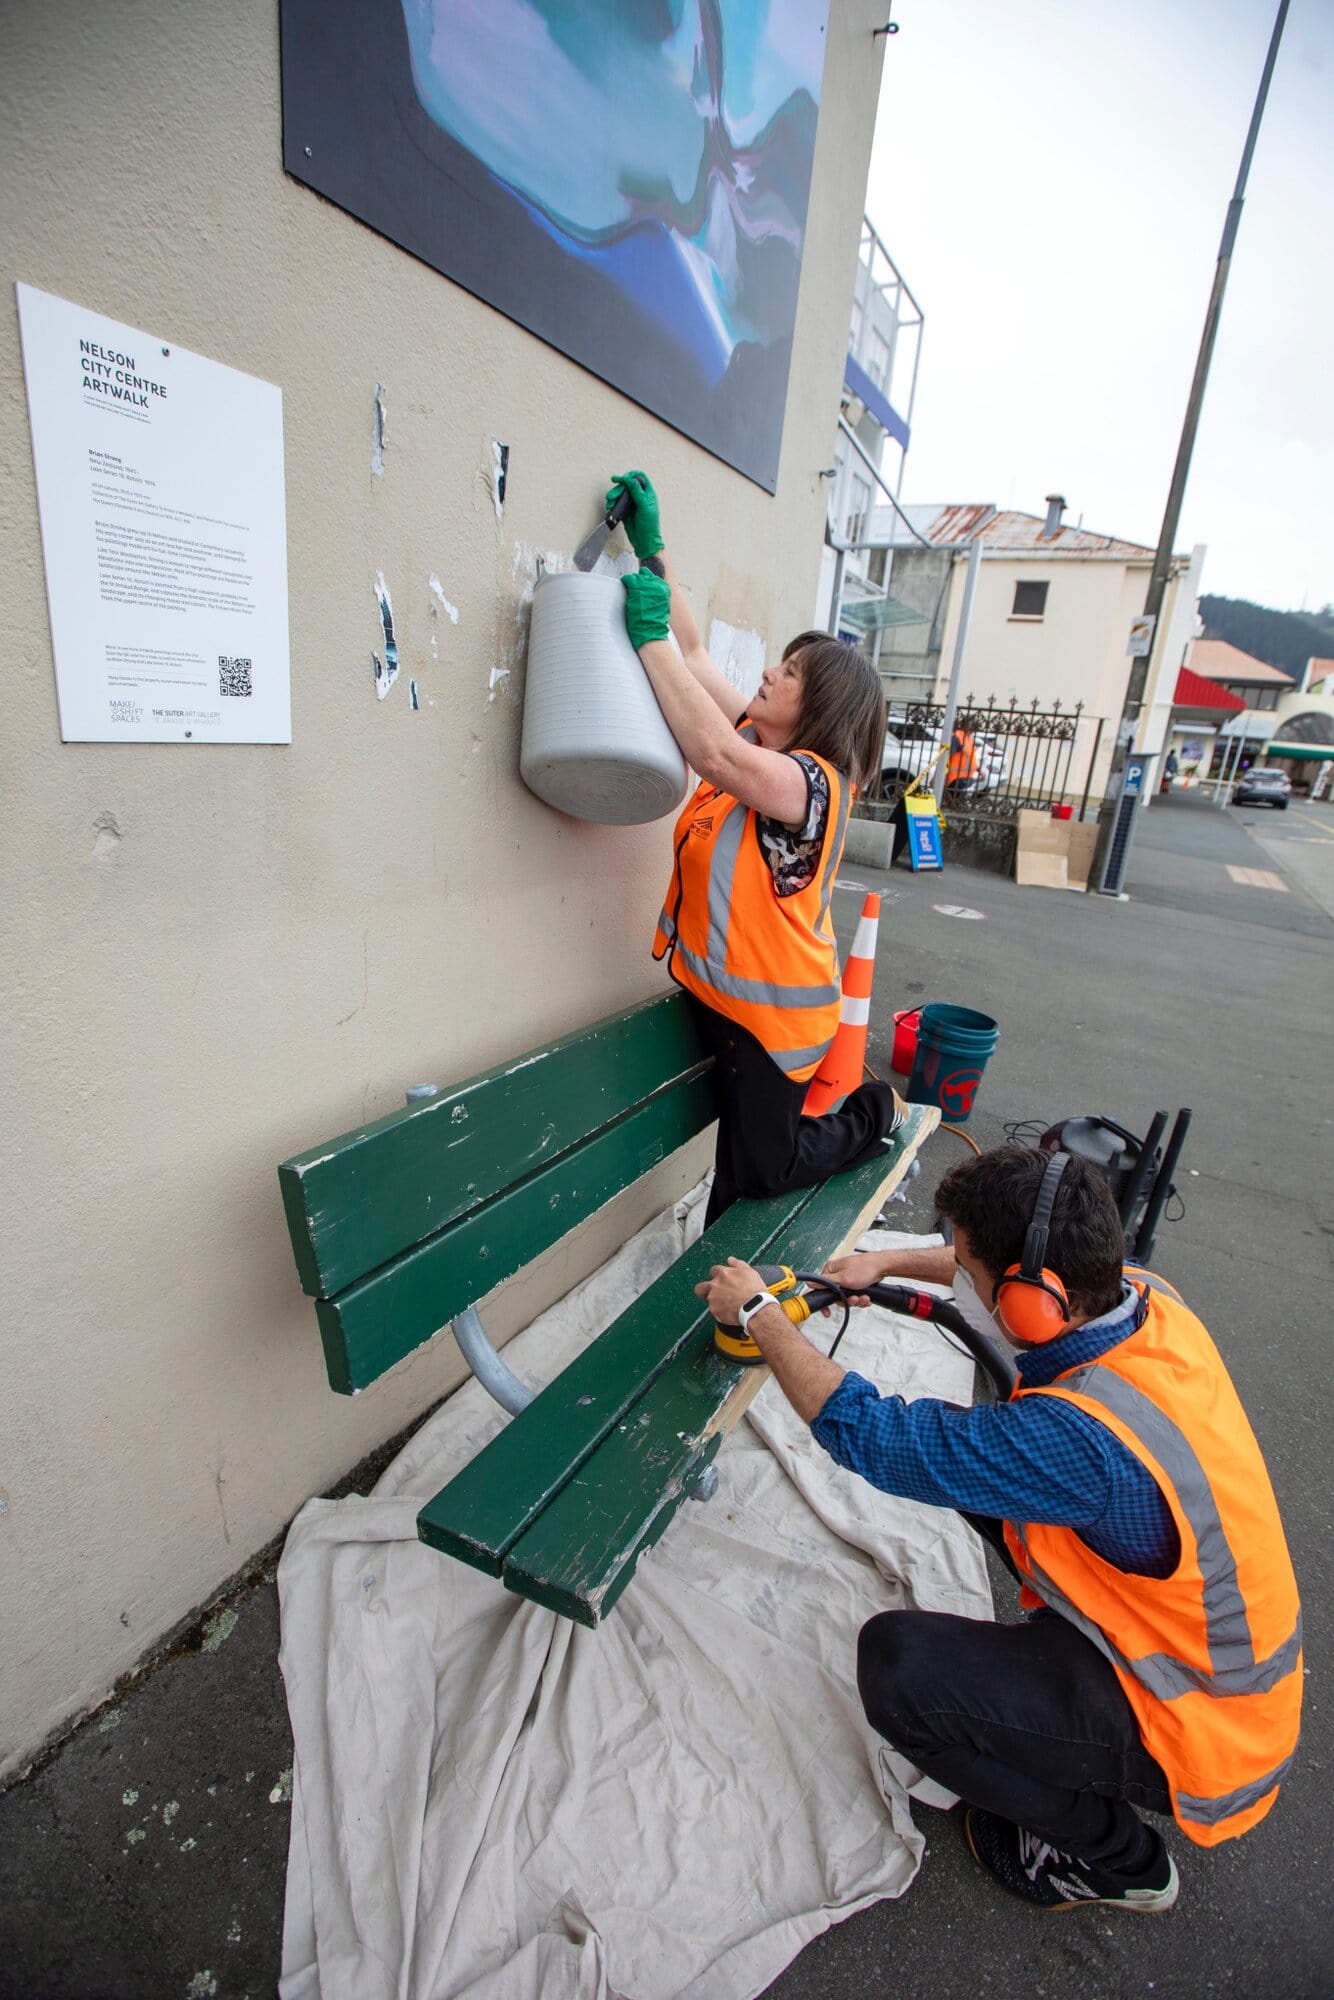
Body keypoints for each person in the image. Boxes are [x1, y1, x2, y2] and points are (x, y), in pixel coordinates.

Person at [696, 1145, 1302, 1912]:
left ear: (1032, 1303)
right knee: (979, 1470)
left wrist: (761, 1317)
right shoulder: (1145, 1300)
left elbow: (879, 1439)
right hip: (1196, 1649)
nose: (962, 1280)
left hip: (1196, 1723)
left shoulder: (1081, 1444)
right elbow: (997, 1278)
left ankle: (1122, 1863)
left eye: (972, 1273)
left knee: (900, 1671)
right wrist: (884, 1264)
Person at [608, 469, 901, 1227]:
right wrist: (652, 550)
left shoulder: (812, 786)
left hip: (777, 1026)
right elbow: (695, 657)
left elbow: (713, 754)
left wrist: (644, 637)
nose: (770, 672)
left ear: (821, 706)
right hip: (730, 1008)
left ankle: (873, 1114)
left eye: (791, 672)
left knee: (762, 1173)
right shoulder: (759, 741)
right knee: (739, 1174)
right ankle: (723, 1280)